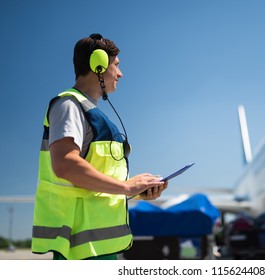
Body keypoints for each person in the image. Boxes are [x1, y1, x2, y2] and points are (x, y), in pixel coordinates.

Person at [32, 33, 168, 260]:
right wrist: (126, 187)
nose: (121, 73)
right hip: (80, 253)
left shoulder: (90, 113)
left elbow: (93, 185)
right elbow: (65, 164)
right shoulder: (69, 105)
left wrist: (135, 190)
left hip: (100, 249)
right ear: (98, 64)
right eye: (116, 65)